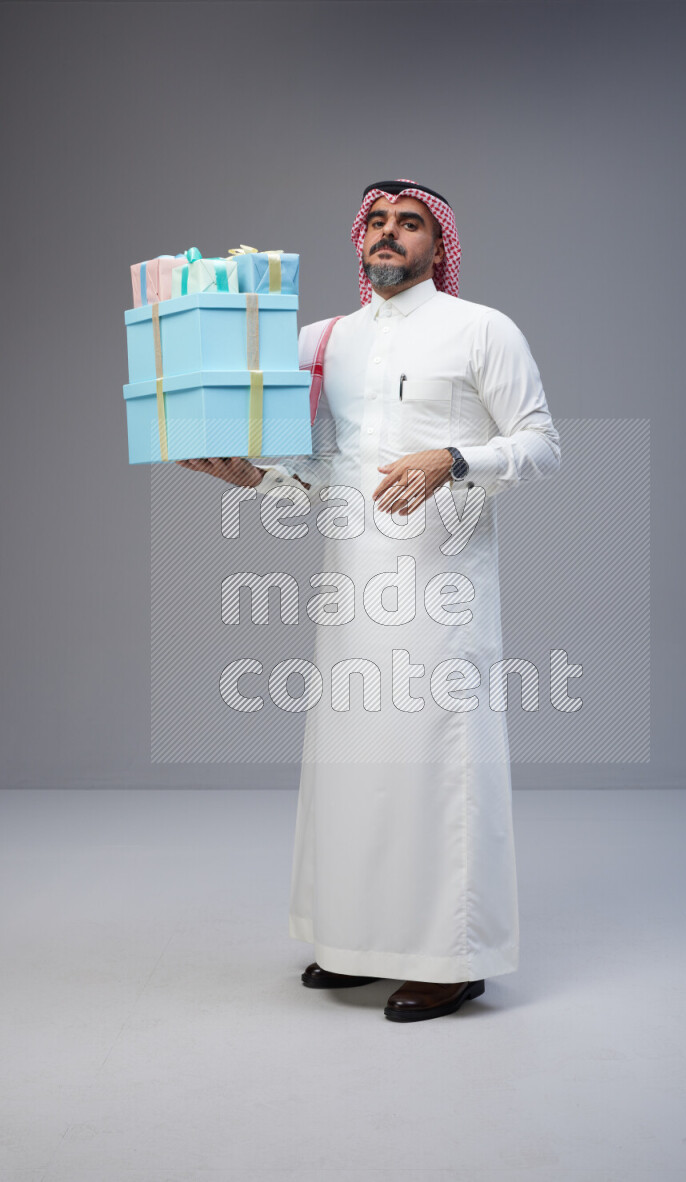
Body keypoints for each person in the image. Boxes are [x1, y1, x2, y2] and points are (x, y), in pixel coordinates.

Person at [177, 179, 561, 1022]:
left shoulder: (480, 329)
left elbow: (540, 442)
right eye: (377, 222)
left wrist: (452, 459)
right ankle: (356, 943)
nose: (390, 235)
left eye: (410, 224)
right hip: (351, 582)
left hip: (442, 586)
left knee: (436, 765)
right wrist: (252, 478)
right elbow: (320, 475)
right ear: (360, 239)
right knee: (355, 768)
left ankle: (453, 958)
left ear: (437, 244)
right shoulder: (324, 340)